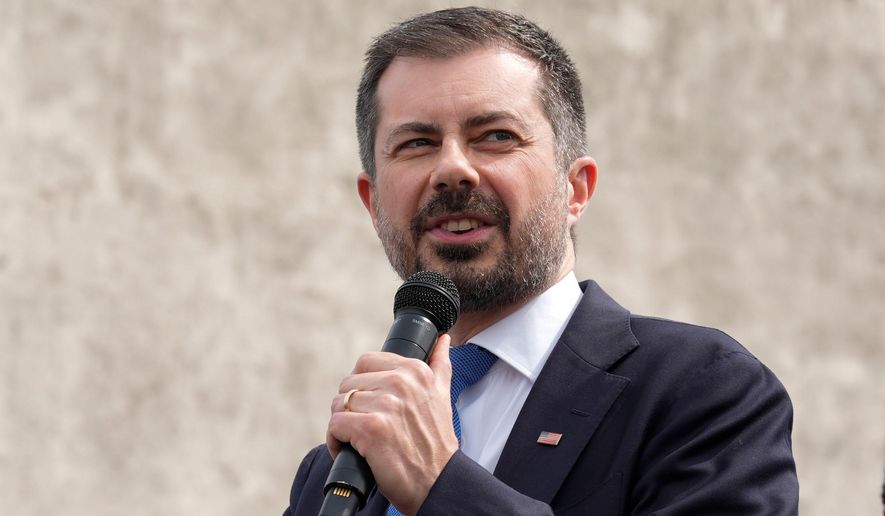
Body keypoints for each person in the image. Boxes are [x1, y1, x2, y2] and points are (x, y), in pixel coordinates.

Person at [284, 7, 798, 516]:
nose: (452, 168)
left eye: (496, 136)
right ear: (373, 204)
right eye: (418, 143)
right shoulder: (331, 475)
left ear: (575, 190)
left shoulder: (700, 391)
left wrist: (440, 485)